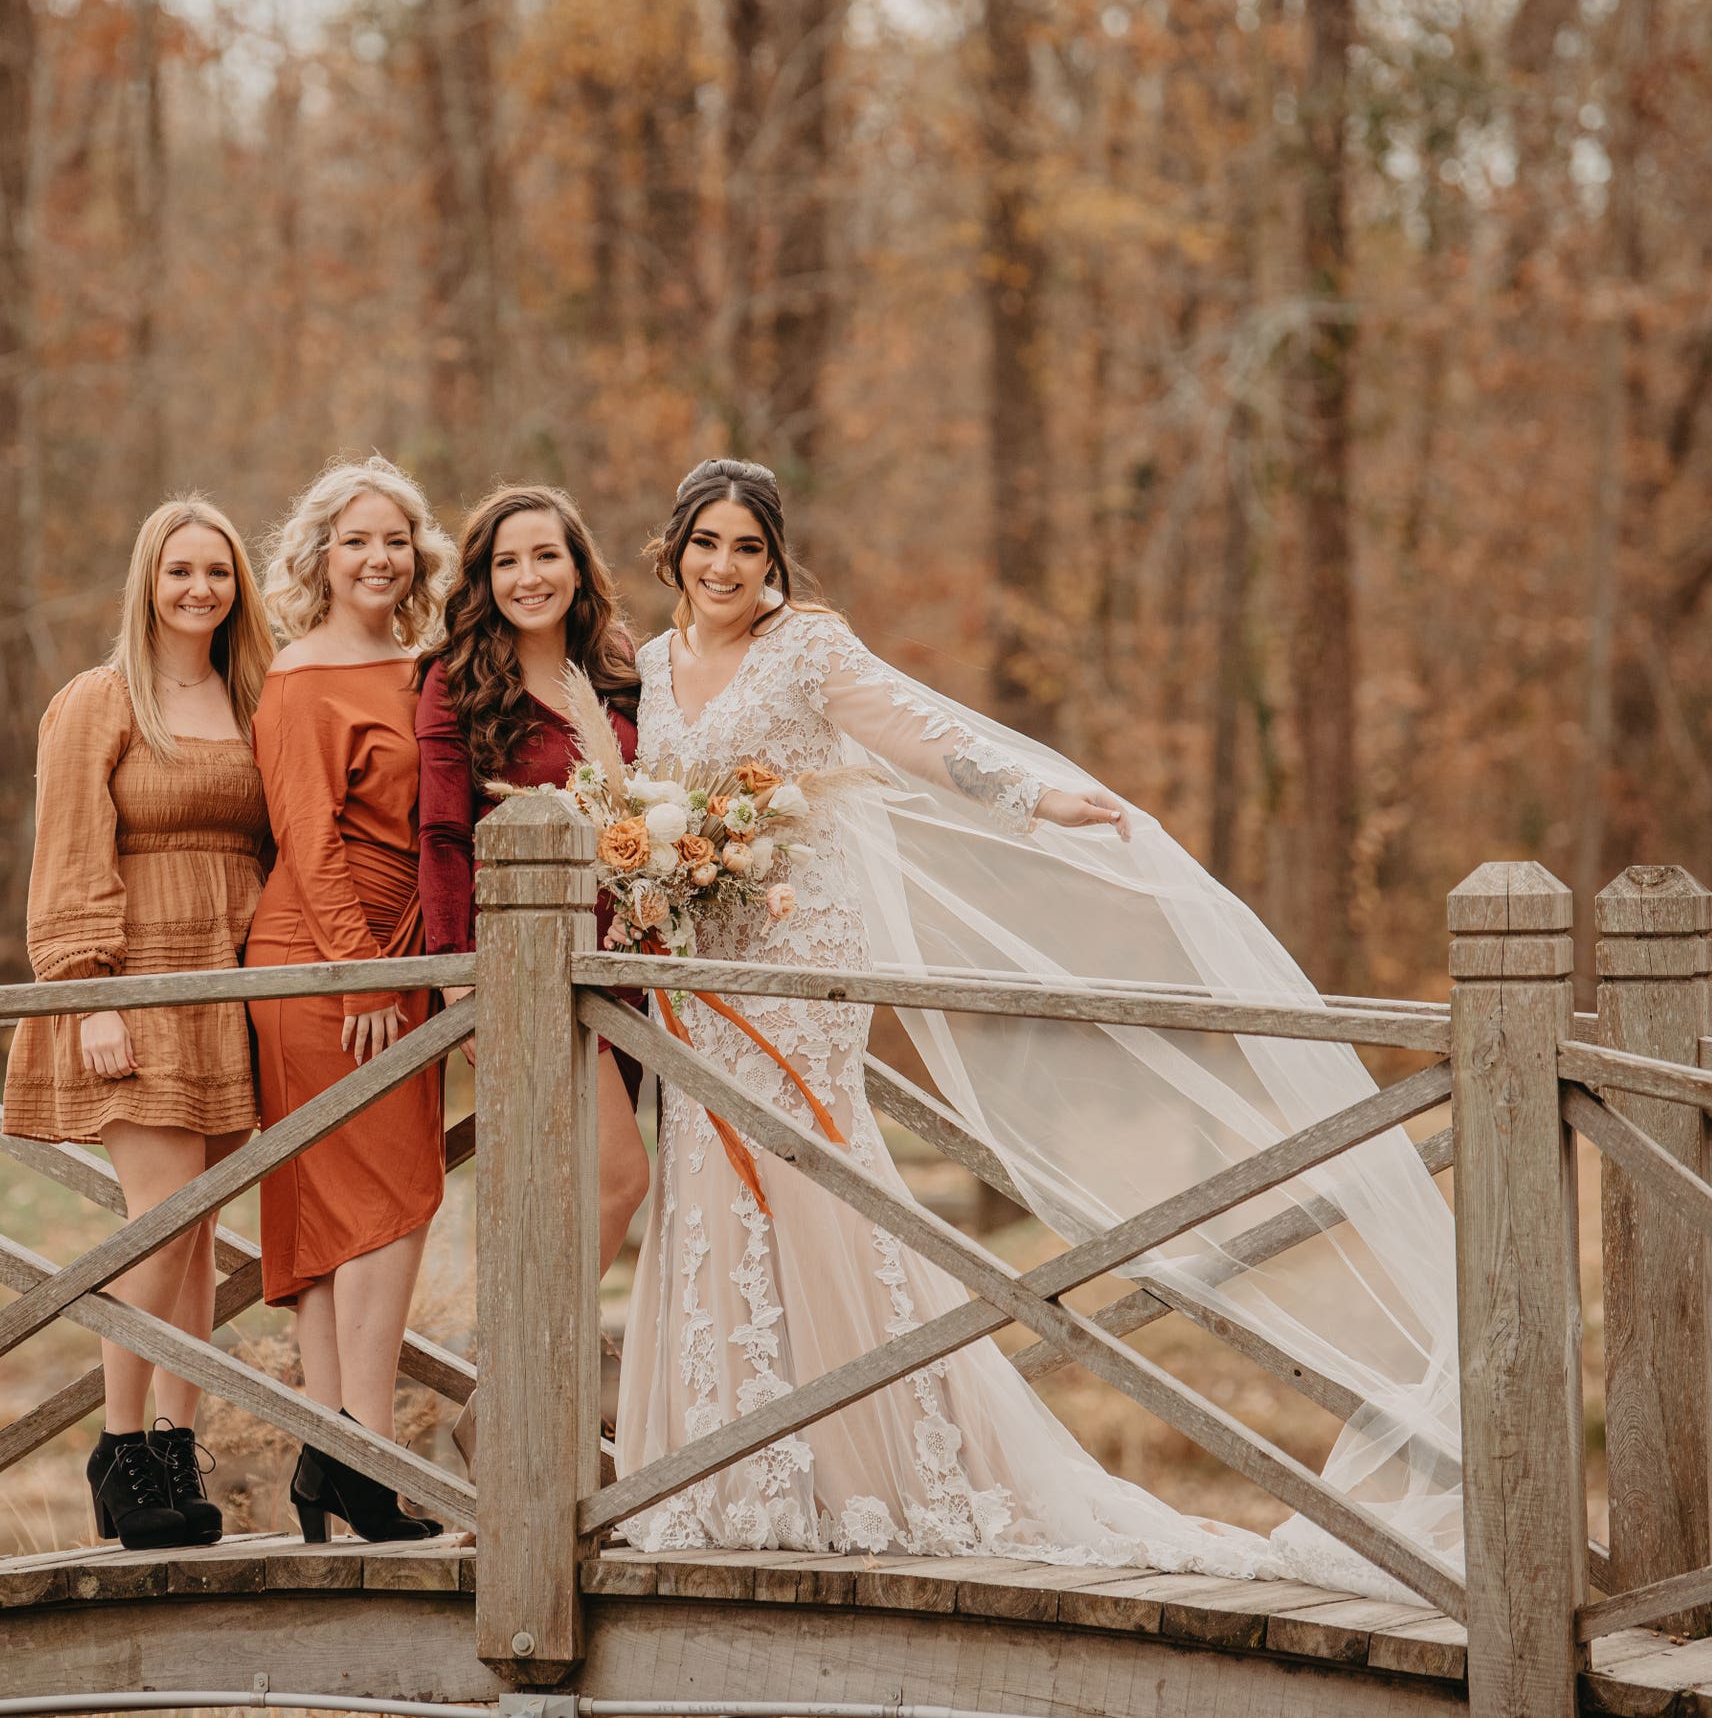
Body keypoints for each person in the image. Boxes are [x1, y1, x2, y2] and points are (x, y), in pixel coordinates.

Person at [612, 458, 1463, 1599]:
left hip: (797, 956)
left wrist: (1035, 797)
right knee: (705, 1180)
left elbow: (920, 739)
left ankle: (871, 1465)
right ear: (672, 549)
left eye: (747, 548)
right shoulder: (648, 667)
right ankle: (723, 1468)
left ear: (775, 562)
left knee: (814, 1174)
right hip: (695, 967)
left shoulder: (810, 647)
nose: (724, 567)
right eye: (706, 544)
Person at [5, 498, 275, 1550]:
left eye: (217, 571)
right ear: (147, 583)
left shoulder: (250, 697)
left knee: (198, 1235)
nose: (200, 588)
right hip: (139, 985)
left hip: (231, 991)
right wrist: (93, 991)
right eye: (180, 572)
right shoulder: (100, 699)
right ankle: (117, 1449)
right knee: (156, 1225)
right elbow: (70, 849)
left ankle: (174, 1440)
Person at [245, 455, 459, 1542]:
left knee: (357, 1212)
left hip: (405, 963)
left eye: (395, 541)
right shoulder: (299, 678)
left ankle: (331, 1454)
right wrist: (360, 969)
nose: (379, 559)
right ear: (320, 556)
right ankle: (365, 1456)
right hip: (324, 962)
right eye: (356, 541)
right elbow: (308, 835)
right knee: (386, 1203)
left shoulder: (426, 668)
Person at [415, 484, 651, 1277]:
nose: (529, 577)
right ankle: (524, 1391)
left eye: (546, 555)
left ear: (578, 567)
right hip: (528, 972)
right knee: (621, 1180)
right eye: (506, 561)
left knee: (566, 1189)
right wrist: (459, 986)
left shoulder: (619, 665)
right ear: (483, 579)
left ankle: (532, 1396)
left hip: (624, 968)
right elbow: (442, 835)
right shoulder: (456, 681)